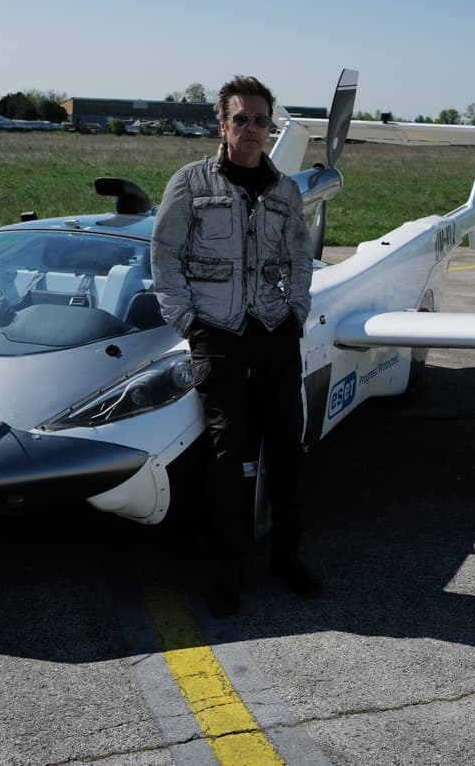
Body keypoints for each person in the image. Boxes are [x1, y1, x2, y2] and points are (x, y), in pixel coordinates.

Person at [151, 75, 322, 616]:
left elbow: (300, 255)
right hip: (217, 333)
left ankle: (288, 559)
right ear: (222, 125)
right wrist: (187, 321)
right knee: (228, 453)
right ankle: (229, 570)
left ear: (271, 129)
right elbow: (165, 253)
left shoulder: (286, 191)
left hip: (274, 330)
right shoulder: (190, 182)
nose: (252, 129)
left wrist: (296, 310)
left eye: (261, 121)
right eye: (241, 119)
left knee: (288, 449)